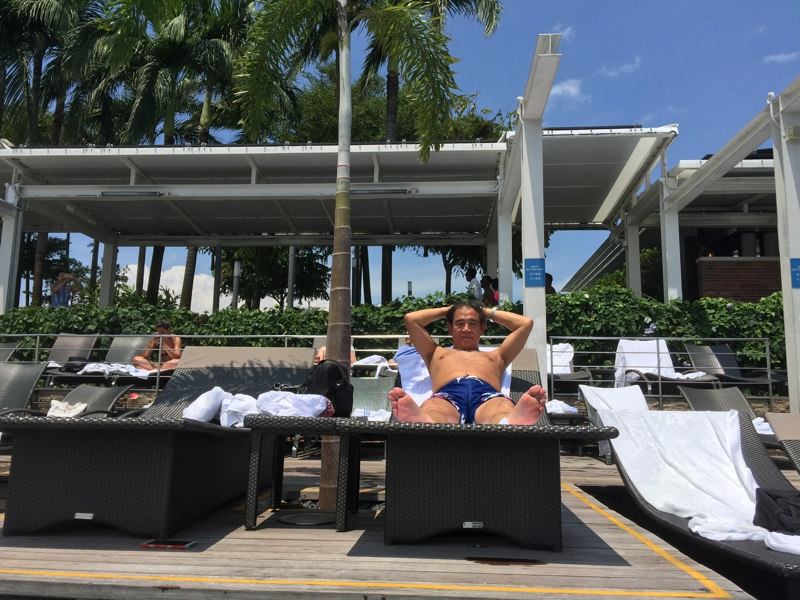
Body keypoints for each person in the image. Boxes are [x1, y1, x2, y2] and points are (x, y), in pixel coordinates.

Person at [389, 300, 547, 425]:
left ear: (482, 328)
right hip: (447, 395)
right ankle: (428, 423)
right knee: (434, 407)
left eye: (472, 323)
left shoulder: (497, 356)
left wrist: (483, 311)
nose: (466, 329)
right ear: (450, 328)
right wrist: (449, 310)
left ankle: (509, 423)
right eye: (459, 323)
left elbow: (525, 324)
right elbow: (411, 319)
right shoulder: (435, 353)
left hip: (488, 395)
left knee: (501, 407)